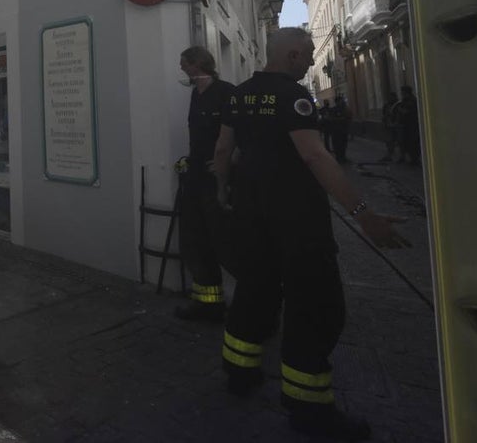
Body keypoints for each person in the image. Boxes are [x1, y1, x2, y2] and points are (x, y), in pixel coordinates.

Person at [213, 27, 407, 441]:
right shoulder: (292, 97)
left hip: (251, 216)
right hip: (297, 221)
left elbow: (223, 151)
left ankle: (239, 373)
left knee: (253, 292)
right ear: (294, 56)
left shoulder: (238, 96)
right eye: (310, 55)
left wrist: (221, 191)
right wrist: (363, 213)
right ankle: (308, 407)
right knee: (315, 307)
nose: (313, 63)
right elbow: (315, 155)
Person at [174, 46, 236, 322]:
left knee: (224, 240)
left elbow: (242, 133)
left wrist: (228, 163)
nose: (182, 68)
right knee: (196, 239)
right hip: (196, 177)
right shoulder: (195, 95)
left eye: (184, 63)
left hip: (217, 179)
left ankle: (256, 299)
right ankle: (208, 302)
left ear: (197, 63)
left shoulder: (225, 92)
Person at [397, 85, 421, 165]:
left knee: (412, 142)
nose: (402, 94)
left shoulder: (411, 100)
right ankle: (411, 158)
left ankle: (414, 159)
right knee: (406, 142)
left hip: (411, 125)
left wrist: (401, 110)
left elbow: (408, 112)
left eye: (403, 92)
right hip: (406, 125)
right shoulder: (405, 100)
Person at [331, 95, 352, 163]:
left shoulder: (345, 109)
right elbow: (331, 119)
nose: (342, 101)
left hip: (343, 130)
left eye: (342, 100)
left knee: (344, 145)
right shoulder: (334, 110)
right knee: (337, 145)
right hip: (336, 131)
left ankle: (343, 157)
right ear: (337, 102)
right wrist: (340, 119)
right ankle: (338, 158)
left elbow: (349, 117)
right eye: (341, 100)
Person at [381, 91, 400, 162]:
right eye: (389, 97)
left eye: (392, 97)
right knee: (389, 141)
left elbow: (398, 114)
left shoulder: (397, 104)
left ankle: (400, 156)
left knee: (398, 141)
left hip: (396, 125)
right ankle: (389, 155)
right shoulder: (386, 105)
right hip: (388, 125)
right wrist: (384, 120)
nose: (390, 98)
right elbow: (384, 114)